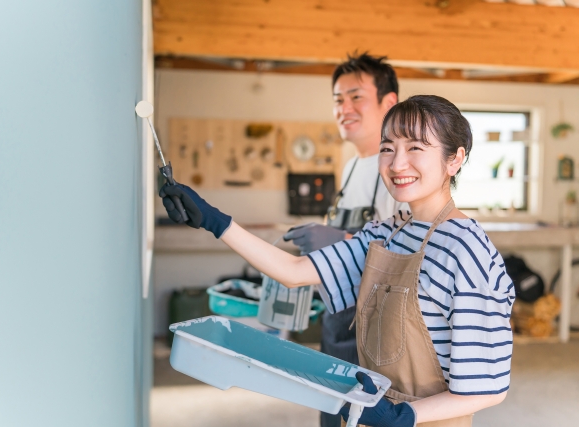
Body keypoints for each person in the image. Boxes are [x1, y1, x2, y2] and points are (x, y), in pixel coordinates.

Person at [160, 95, 514, 427]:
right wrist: (214, 221)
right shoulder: (389, 233)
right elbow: (293, 272)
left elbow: (488, 387)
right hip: (374, 408)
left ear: (455, 159)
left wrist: (403, 416)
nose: (397, 163)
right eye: (387, 148)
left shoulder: (467, 251)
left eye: (416, 148)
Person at [283, 55, 407, 426]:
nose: (344, 108)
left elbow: (407, 255)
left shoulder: (398, 169)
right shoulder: (353, 164)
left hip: (374, 331)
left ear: (389, 103)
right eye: (338, 100)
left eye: (356, 97)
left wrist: (341, 239)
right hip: (339, 318)